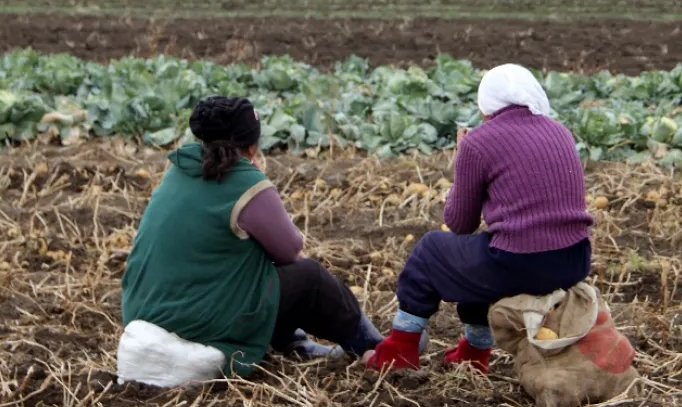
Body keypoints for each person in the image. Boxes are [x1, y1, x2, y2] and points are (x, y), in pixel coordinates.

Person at [121, 96, 382, 377]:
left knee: (250, 265)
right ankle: (374, 346)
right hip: (194, 322)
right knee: (310, 279)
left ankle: (292, 342)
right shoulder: (247, 183)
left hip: (141, 312)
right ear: (252, 145)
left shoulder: (178, 170)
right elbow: (290, 250)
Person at [366, 64, 595, 373]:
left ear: (486, 106)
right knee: (478, 255)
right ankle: (474, 352)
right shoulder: (559, 131)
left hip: (523, 263)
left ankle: (400, 349)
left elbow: (460, 223)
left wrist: (463, 159)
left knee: (431, 250)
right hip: (575, 260)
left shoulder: (479, 142)